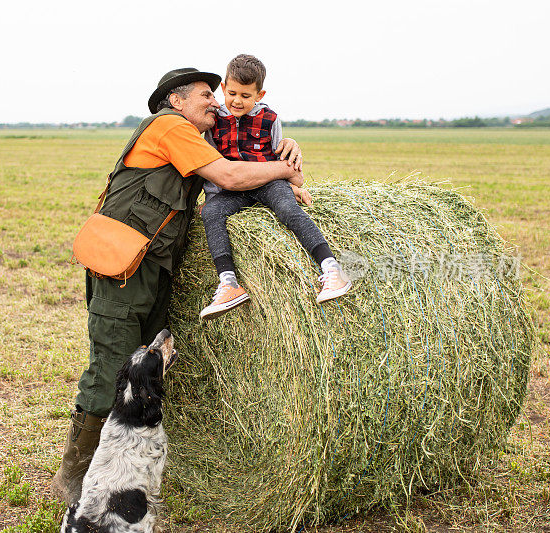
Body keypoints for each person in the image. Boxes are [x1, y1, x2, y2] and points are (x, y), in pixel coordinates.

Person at [51, 67, 304, 505]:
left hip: (155, 270)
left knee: (148, 368)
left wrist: (286, 148)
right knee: (112, 368)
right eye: (208, 95)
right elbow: (228, 176)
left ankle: (124, 469)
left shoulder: (195, 140)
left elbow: (243, 158)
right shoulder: (169, 127)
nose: (217, 101)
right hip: (122, 269)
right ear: (177, 101)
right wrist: (283, 170)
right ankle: (71, 478)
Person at [198, 54, 351, 321]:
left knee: (287, 210)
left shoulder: (270, 119)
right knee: (211, 214)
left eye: (246, 95)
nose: (237, 100)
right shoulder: (215, 122)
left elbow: (283, 160)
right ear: (223, 89)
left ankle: (331, 269)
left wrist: (293, 187)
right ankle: (229, 283)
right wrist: (212, 198)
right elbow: (212, 164)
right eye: (232, 93)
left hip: (267, 184)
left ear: (260, 94)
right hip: (230, 191)